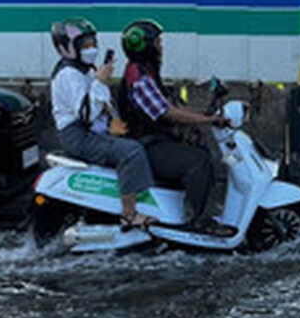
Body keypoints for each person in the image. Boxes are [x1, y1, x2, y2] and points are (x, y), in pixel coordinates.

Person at [115, 19, 236, 237]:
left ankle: (189, 212)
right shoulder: (138, 77)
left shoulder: (146, 71)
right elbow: (166, 112)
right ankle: (200, 222)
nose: (161, 47)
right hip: (147, 146)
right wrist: (207, 120)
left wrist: (204, 115)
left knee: (199, 149)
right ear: (145, 46)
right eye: (158, 43)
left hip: (155, 140)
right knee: (198, 161)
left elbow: (172, 105)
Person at [49, 17, 156, 231]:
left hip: (89, 131)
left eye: (93, 44)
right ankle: (129, 214)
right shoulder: (68, 74)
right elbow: (86, 114)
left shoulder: (85, 70)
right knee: (131, 152)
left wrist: (113, 120)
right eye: (85, 45)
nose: (91, 49)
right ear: (68, 48)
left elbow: (101, 104)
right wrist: (99, 81)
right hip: (78, 135)